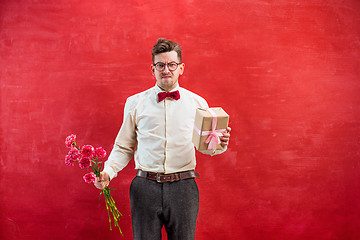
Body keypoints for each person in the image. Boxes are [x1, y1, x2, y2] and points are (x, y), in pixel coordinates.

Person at [94, 38, 231, 240]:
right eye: (161, 65)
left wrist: (220, 143)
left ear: (181, 68)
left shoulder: (198, 103)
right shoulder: (135, 103)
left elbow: (207, 145)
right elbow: (124, 146)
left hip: (184, 187)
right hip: (144, 187)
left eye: (172, 64)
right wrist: (108, 171)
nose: (166, 69)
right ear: (153, 69)